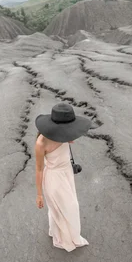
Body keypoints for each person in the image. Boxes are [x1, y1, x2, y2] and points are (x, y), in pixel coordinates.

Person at [34, 102, 91, 252]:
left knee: (68, 205)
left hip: (66, 173)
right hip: (53, 178)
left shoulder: (64, 134)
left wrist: (68, 137)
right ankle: (63, 237)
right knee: (67, 207)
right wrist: (39, 194)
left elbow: (69, 137)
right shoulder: (41, 143)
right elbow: (39, 169)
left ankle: (63, 232)